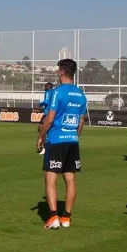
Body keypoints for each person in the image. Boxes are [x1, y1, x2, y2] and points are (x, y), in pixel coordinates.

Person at [35, 59, 86, 230]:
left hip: (56, 140)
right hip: (72, 141)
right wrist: (74, 136)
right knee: (70, 179)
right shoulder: (80, 94)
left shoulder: (57, 93)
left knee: (50, 178)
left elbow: (49, 118)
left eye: (58, 70)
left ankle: (53, 217)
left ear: (61, 72)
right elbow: (82, 120)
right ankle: (66, 218)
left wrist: (41, 136)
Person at [37, 82, 54, 155]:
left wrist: (40, 104)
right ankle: (48, 146)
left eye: (45, 86)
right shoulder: (54, 92)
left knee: (41, 128)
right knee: (46, 129)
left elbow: (46, 102)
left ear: (48, 87)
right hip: (52, 112)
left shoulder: (48, 92)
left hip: (47, 113)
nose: (44, 88)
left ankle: (45, 147)